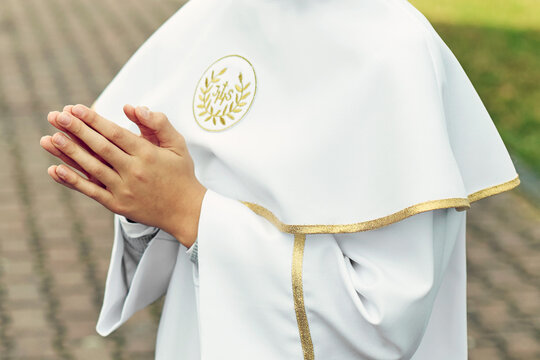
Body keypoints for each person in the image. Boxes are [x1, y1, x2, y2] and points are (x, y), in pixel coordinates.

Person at [40, 0, 521, 358]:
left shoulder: (394, 49)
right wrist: (146, 195)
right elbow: (183, 208)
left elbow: (380, 320)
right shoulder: (218, 14)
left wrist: (188, 211)